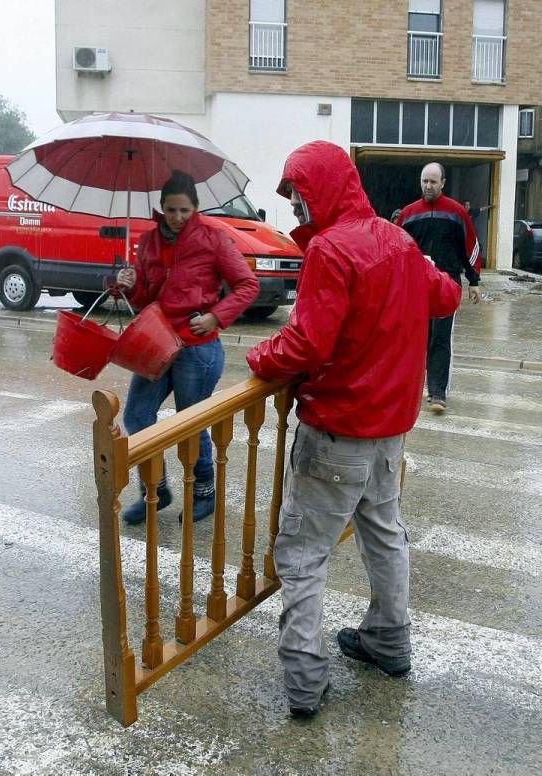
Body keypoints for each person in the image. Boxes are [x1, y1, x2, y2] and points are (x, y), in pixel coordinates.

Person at [246, 141, 461, 719]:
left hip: (337, 432)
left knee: (302, 556)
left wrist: (261, 358)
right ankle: (390, 642)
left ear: (321, 189)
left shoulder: (332, 251)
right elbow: (446, 296)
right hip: (389, 436)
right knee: (384, 533)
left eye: (297, 194)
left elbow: (308, 342)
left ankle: (304, 683)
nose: (294, 208)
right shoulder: (399, 240)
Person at [117, 170, 259, 524]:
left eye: (184, 210)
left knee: (190, 423)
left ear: (195, 208)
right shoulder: (149, 241)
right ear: (161, 208)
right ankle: (155, 490)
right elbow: (144, 299)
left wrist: (215, 317)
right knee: (137, 415)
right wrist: (127, 284)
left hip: (198, 347)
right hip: (157, 342)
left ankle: (204, 494)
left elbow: (247, 285)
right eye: (170, 210)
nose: (177, 218)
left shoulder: (213, 238)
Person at [397, 163, 481, 414]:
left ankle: (437, 393)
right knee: (416, 338)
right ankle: (409, 389)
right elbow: (397, 249)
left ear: (443, 182)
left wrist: (474, 281)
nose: (428, 186)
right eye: (425, 181)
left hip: (448, 285)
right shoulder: (409, 215)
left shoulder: (456, 213)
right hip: (417, 286)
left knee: (441, 339)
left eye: (433, 182)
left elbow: (471, 246)